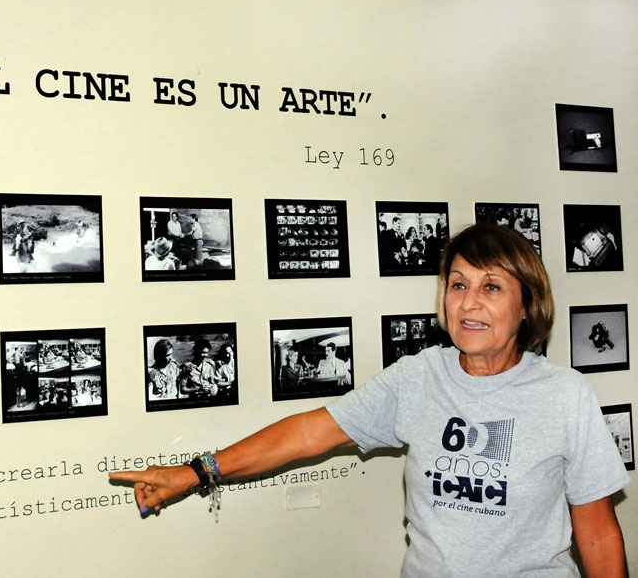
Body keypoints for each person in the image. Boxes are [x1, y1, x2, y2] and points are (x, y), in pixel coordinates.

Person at [110, 223, 628, 576]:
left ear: (526, 306)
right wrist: (196, 472)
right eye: (457, 284)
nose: (468, 302)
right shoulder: (417, 377)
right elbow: (309, 433)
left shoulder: (565, 396)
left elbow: (599, 534)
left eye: (491, 287)